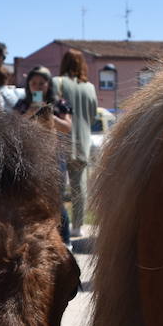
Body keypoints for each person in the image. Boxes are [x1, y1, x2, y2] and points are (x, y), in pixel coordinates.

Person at [21, 65, 73, 242]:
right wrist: (29, 113)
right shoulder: (22, 104)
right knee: (32, 199)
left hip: (53, 156)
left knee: (56, 199)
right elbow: (13, 125)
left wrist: (49, 113)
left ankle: (64, 239)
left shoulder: (60, 104)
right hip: (30, 156)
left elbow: (67, 127)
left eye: (41, 83)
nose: (37, 86)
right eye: (33, 83)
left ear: (48, 85)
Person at [55, 48, 97, 239]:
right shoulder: (90, 88)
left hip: (61, 139)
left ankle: (59, 225)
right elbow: (93, 114)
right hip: (83, 140)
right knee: (79, 186)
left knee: (57, 186)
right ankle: (78, 226)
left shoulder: (58, 83)